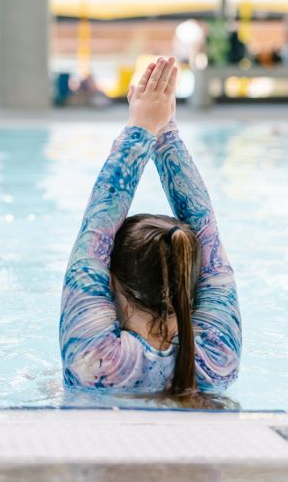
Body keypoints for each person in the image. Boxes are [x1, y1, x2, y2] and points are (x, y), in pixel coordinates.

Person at [60, 57, 240, 400]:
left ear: (109, 281)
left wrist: (145, 129)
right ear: (192, 278)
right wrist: (162, 132)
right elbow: (206, 231)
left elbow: (95, 232)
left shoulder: (96, 361)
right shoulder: (218, 358)